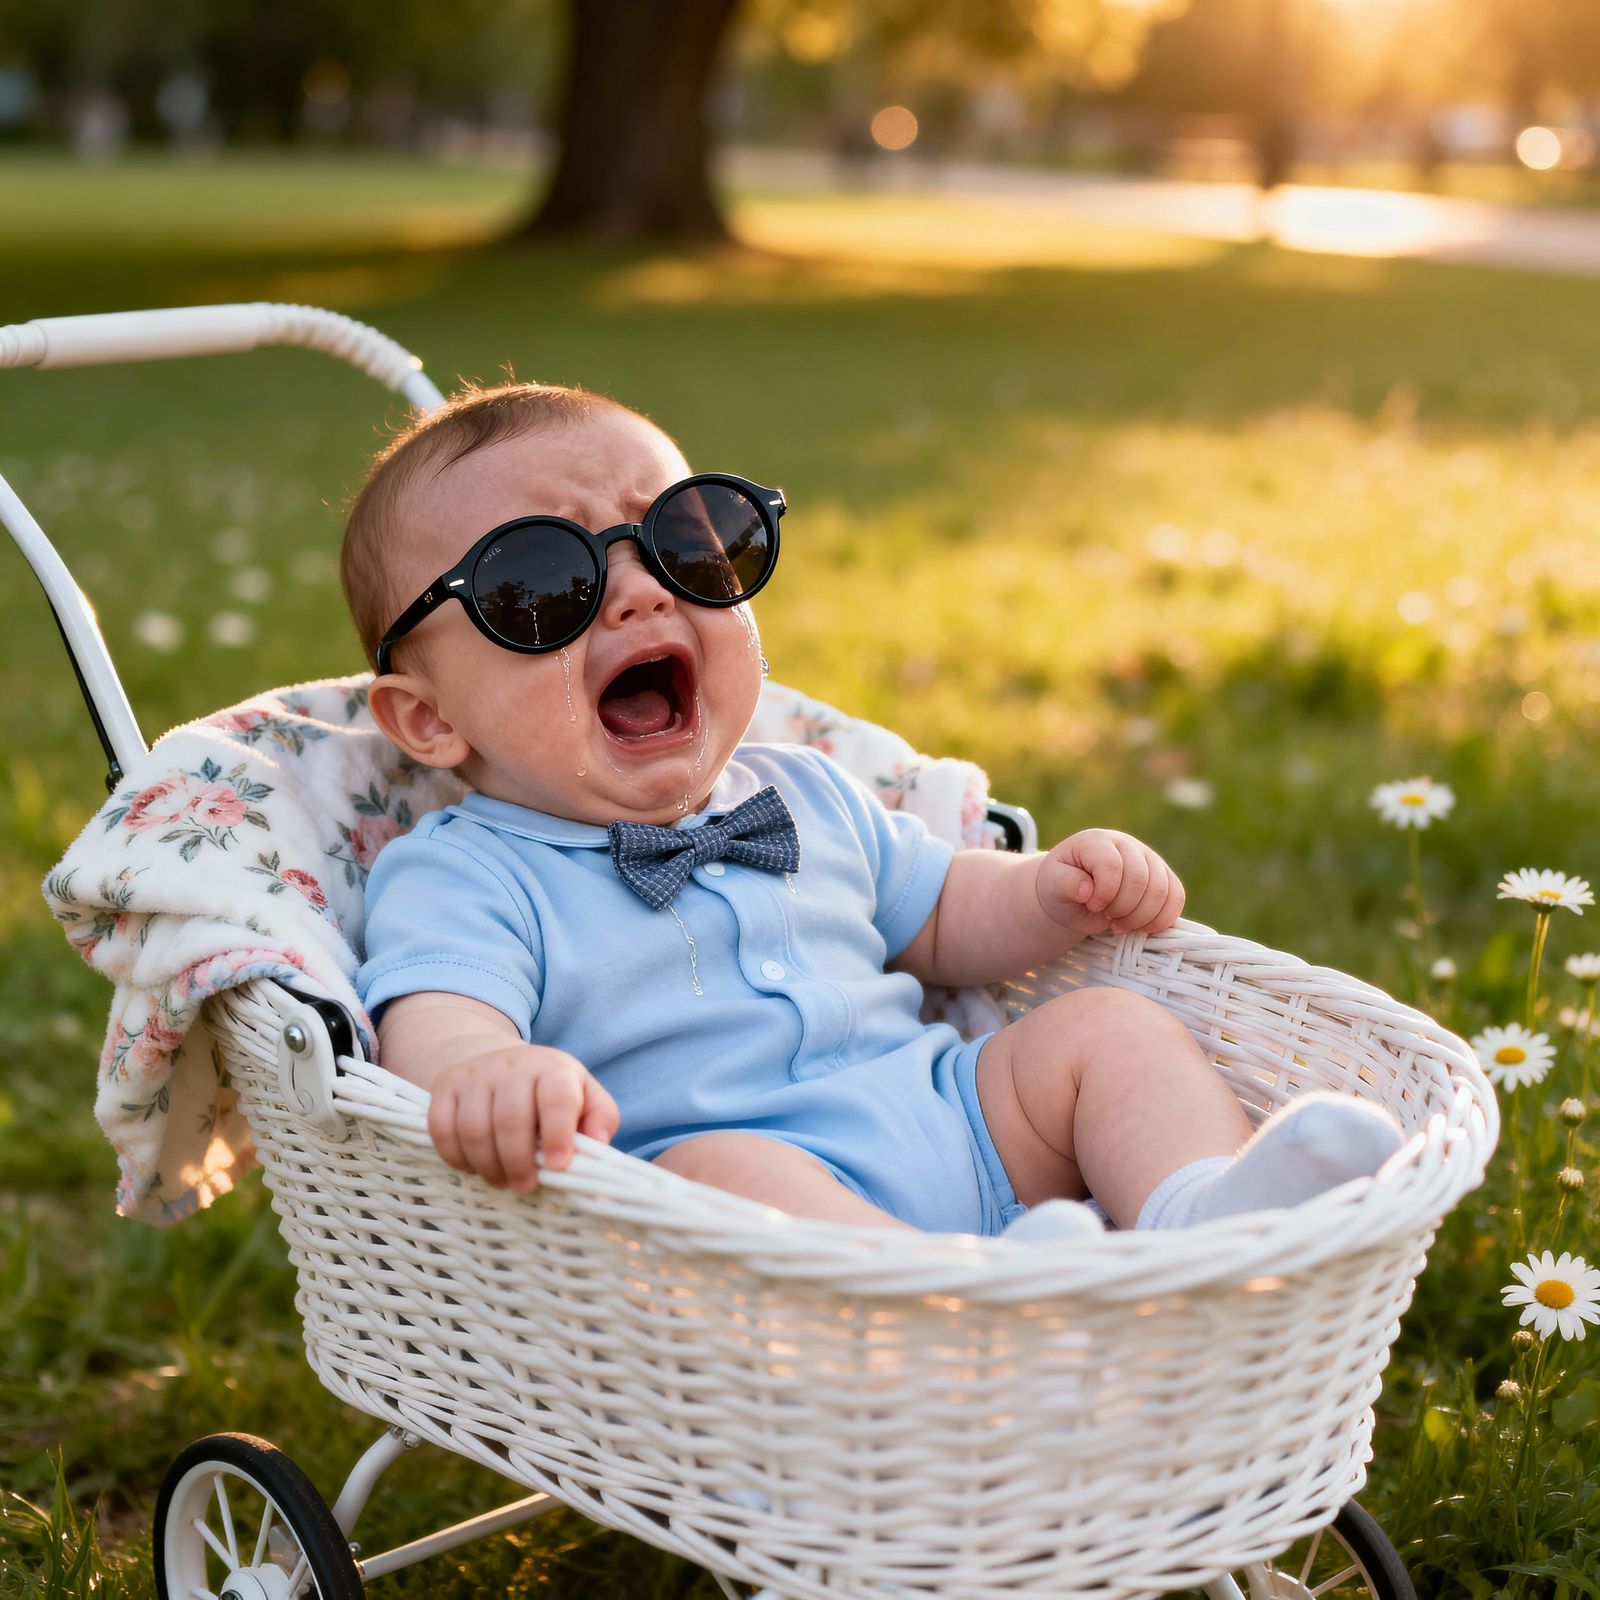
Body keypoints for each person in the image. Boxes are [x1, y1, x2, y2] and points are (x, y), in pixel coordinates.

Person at [347, 381, 1402, 1241]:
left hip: (961, 1123)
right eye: (539, 589)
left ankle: (1205, 1222)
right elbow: (436, 1021)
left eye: (685, 543)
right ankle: (970, 1309)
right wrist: (488, 1073)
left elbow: (940, 910)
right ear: (429, 720)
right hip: (760, 1218)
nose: (644, 592)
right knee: (724, 1175)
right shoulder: (467, 870)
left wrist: (1047, 890)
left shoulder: (807, 790)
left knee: (1107, 1031)